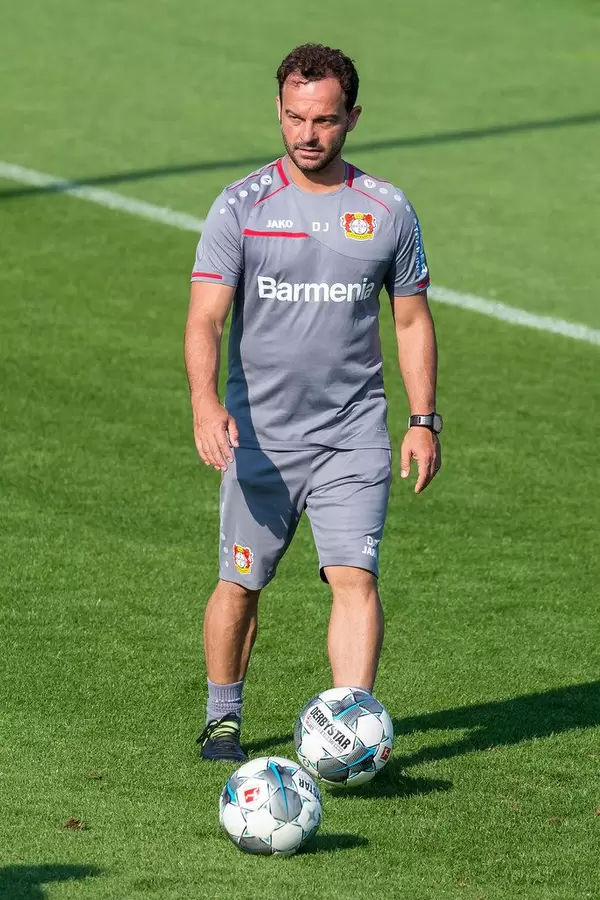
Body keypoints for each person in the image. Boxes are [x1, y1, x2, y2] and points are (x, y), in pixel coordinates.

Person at [185, 43, 442, 762]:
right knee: (240, 581)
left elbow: (413, 320)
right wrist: (207, 405)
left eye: (324, 120)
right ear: (278, 109)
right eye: (295, 117)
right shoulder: (241, 205)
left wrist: (423, 420)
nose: (306, 134)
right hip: (259, 438)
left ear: (352, 117)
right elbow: (205, 317)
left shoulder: (387, 212)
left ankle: (352, 732)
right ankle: (224, 715)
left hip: (352, 434)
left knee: (355, 577)